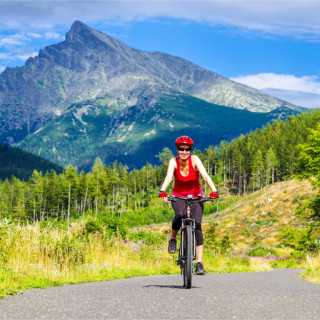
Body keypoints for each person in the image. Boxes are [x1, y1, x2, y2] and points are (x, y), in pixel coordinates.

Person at [158, 136, 219, 275]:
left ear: (190, 150)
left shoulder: (195, 160)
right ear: (177, 149)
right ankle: (173, 239)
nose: (184, 152)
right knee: (179, 215)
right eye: (181, 149)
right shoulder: (173, 162)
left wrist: (214, 190)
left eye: (187, 149)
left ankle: (199, 262)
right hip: (178, 196)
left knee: (197, 225)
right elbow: (168, 177)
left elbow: (205, 176)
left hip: (196, 196)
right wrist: (163, 191)